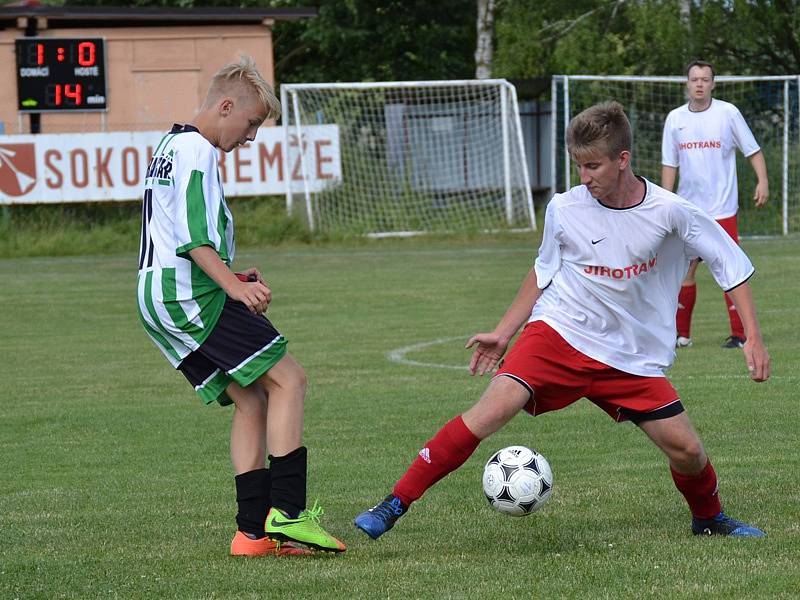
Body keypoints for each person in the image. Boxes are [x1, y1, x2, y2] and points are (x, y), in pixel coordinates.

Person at [355, 101, 770, 541]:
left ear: (623, 160)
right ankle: (393, 504)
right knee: (490, 411)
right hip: (560, 331)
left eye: (594, 166)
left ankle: (709, 520)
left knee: (687, 450)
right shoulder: (565, 208)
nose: (584, 176)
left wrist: (753, 338)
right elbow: (542, 270)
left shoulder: (671, 211)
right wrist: (503, 331)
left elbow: (730, 264)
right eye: (578, 165)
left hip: (630, 354)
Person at [136, 56, 345, 557]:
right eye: (251, 123)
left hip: (158, 295)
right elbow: (192, 236)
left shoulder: (168, 144)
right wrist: (231, 286)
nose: (250, 137)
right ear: (226, 105)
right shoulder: (197, 150)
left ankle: (252, 534)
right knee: (289, 379)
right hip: (190, 296)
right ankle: (289, 516)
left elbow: (173, 233)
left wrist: (233, 272)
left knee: (252, 399)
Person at [661, 60, 769, 349]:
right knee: (685, 270)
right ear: (687, 83)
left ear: (713, 83)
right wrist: (663, 202)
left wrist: (763, 181)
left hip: (722, 209)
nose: (699, 84)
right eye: (694, 79)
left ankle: (739, 333)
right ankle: (680, 335)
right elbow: (670, 165)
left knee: (729, 268)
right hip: (688, 211)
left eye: (705, 79)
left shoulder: (727, 113)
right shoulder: (675, 119)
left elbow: (753, 150)